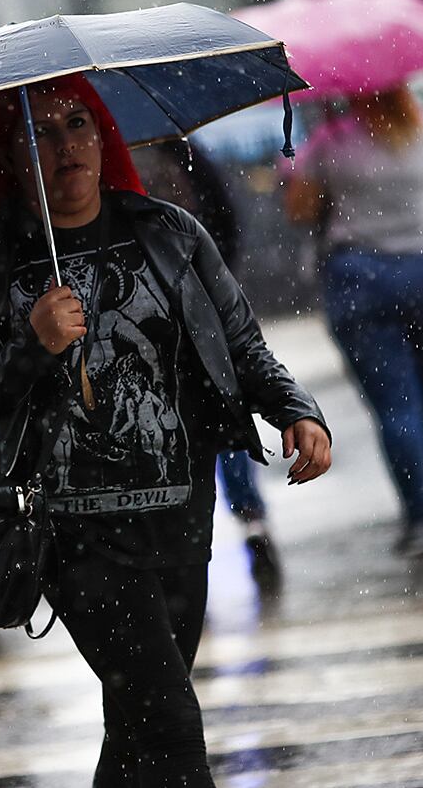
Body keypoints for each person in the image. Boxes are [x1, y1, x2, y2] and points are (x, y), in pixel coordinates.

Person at [0, 74, 332, 786]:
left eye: (77, 125)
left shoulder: (169, 234)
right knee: (171, 723)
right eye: (40, 133)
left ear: (103, 135)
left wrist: (296, 409)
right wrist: (30, 348)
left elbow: (241, 343)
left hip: (179, 517)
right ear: (11, 156)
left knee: (137, 724)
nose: (64, 146)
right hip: (73, 536)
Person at [284, 87, 423, 558]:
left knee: (396, 405)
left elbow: (300, 209)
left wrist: (314, 173)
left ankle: (421, 521)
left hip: (361, 278)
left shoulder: (332, 141)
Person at [133, 139, 282, 592]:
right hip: (194, 310)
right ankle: (249, 523)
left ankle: (185, 544)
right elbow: (223, 222)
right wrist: (212, 285)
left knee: (164, 427)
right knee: (220, 413)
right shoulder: (179, 147)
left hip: (147, 317)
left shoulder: (107, 161)